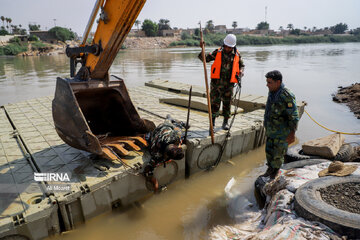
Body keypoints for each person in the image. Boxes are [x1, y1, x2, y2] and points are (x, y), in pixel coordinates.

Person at [199, 34, 245, 132]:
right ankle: (213, 122)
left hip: (229, 85)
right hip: (216, 85)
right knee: (214, 104)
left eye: (230, 47)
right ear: (224, 44)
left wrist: (241, 71)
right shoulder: (218, 52)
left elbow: (242, 65)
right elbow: (205, 59)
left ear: (233, 46)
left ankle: (225, 122)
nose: (227, 48)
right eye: (226, 46)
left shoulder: (237, 54)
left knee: (227, 104)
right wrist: (202, 49)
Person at [262, 70, 299, 179]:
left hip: (281, 133)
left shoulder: (286, 95)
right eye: (267, 82)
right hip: (271, 131)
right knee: (269, 152)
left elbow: (294, 116)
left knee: (278, 156)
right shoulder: (272, 91)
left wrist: (292, 134)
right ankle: (270, 170)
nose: (267, 85)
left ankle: (275, 175)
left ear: (278, 82)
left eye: (269, 82)